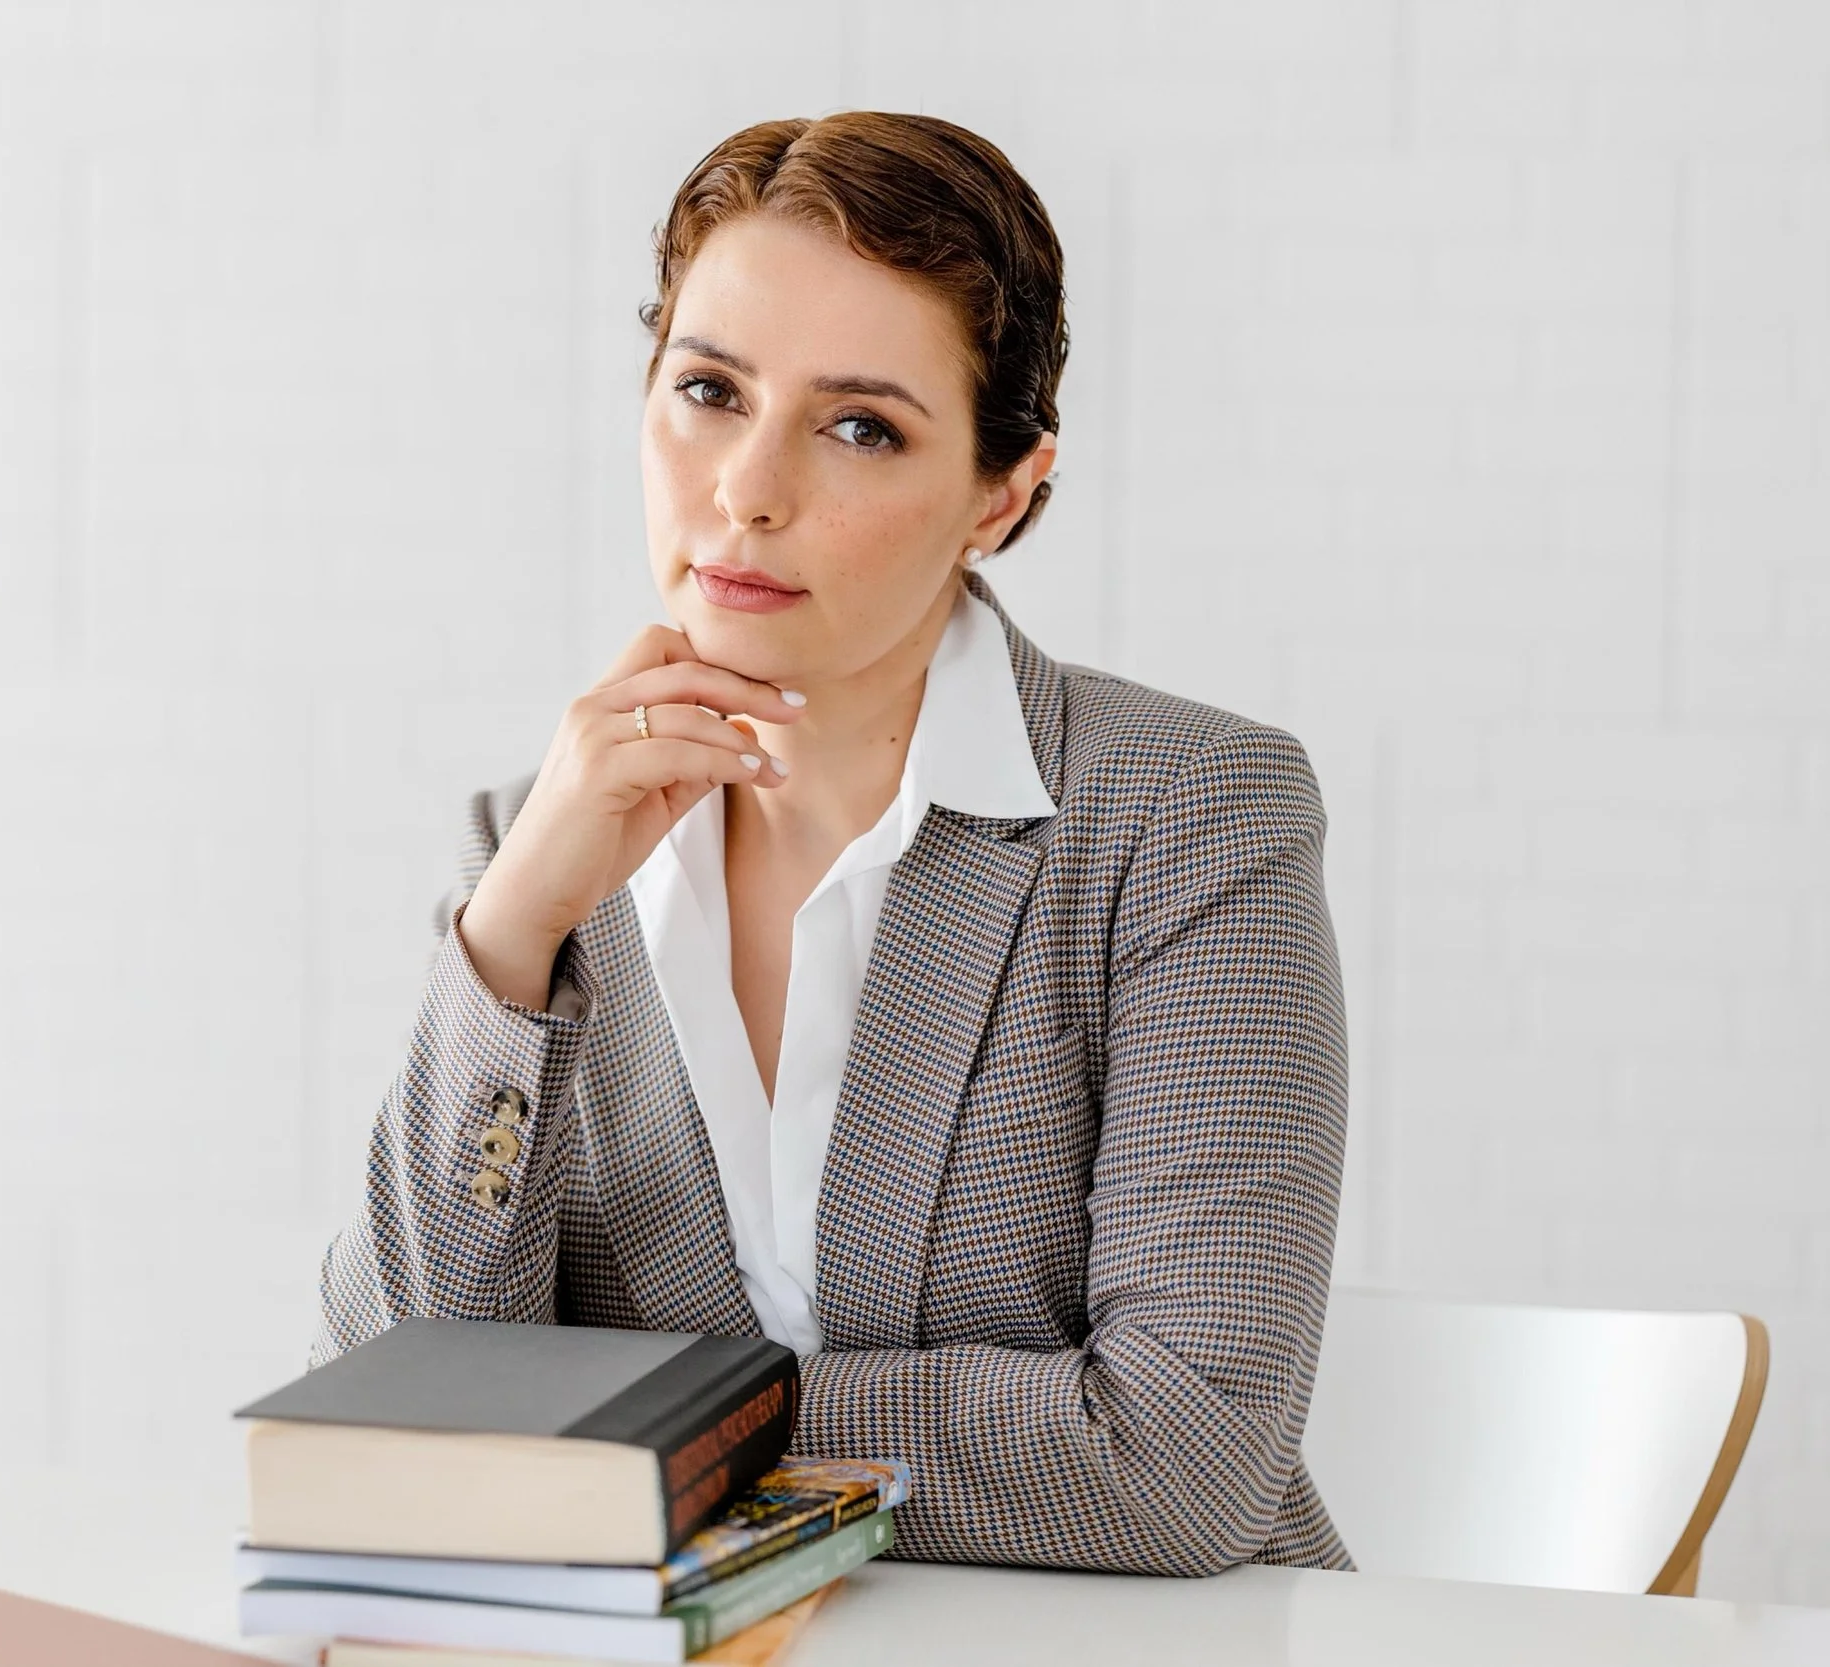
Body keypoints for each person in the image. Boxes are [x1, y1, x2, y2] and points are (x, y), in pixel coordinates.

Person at [310, 112, 1351, 1576]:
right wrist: (510, 931)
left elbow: (1180, 1461)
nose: (748, 486)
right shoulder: (538, 850)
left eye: (861, 424)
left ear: (1004, 491)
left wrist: (623, 1425)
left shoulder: (1186, 820)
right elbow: (392, 1430)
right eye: (709, 389)